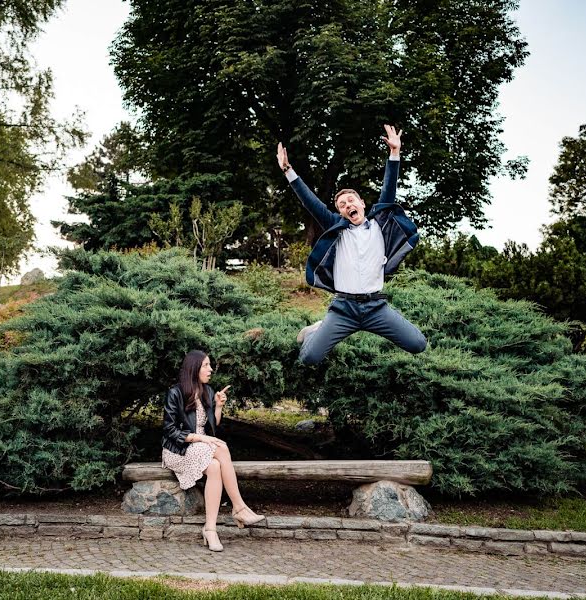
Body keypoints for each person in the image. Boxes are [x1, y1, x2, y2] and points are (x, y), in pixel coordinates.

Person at [277, 125, 427, 365]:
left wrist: (394, 154)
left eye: (351, 201)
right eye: (342, 205)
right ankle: (316, 331)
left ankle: (342, 327)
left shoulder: (380, 224)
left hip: (376, 308)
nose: (347, 205)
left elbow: (389, 190)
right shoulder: (337, 228)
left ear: (362, 203)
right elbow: (310, 202)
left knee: (418, 344)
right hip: (344, 309)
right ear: (340, 213)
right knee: (309, 358)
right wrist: (288, 171)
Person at [161, 350, 265, 551]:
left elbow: (212, 428)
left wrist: (218, 407)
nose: (210, 370)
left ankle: (210, 529)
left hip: (201, 447)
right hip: (179, 449)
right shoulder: (175, 393)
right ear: (194, 368)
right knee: (222, 447)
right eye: (206, 365)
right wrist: (200, 438)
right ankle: (239, 507)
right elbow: (170, 430)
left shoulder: (208, 392)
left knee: (216, 466)